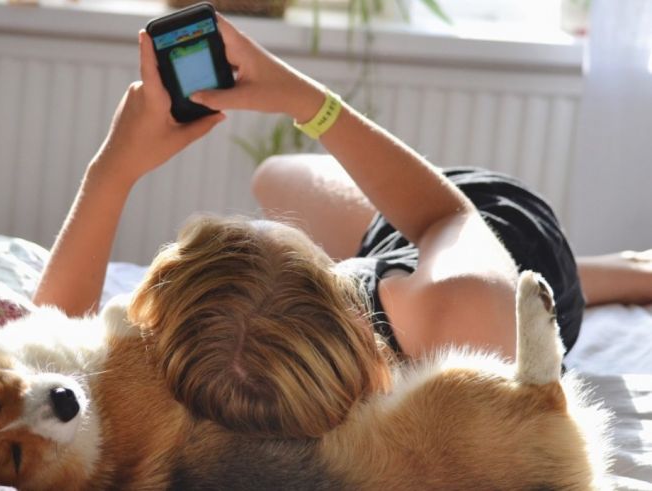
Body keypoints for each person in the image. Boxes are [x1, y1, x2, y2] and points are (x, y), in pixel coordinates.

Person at [32, 14, 652, 438]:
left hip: (412, 262)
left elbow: (47, 340)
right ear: (330, 282)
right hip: (506, 239)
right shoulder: (459, 317)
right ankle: (616, 273)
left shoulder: (214, 378)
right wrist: (306, 99)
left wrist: (110, 172)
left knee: (273, 175)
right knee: (294, 177)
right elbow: (444, 215)